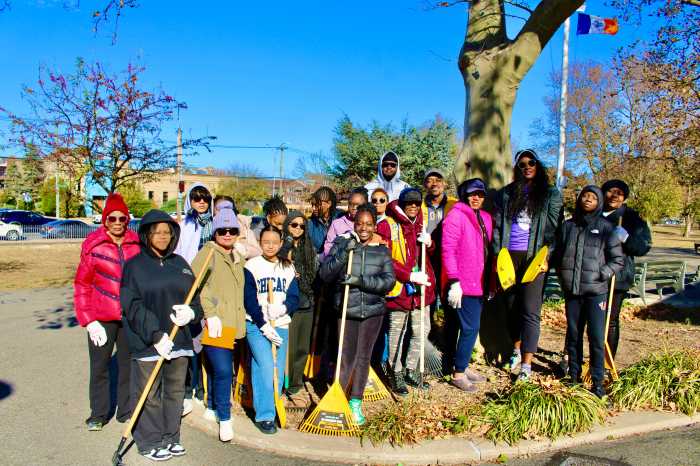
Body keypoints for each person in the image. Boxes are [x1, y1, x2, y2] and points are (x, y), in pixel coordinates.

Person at [120, 209, 203, 461]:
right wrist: (155, 334)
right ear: (146, 234)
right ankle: (150, 441)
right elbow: (131, 305)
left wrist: (191, 313)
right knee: (149, 394)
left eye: (167, 232)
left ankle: (170, 437)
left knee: (174, 392)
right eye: (156, 232)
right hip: (149, 342)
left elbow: (196, 299)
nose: (162, 236)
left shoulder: (180, 264)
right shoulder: (134, 266)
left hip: (179, 341)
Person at [320, 204, 396, 425]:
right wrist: (344, 252)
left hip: (373, 312)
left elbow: (388, 282)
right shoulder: (342, 243)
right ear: (354, 223)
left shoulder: (382, 250)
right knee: (346, 357)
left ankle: (355, 402)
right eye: (360, 223)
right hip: (347, 309)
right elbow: (325, 274)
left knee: (364, 358)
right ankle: (338, 399)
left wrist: (360, 282)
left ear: (375, 225)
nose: (363, 228)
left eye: (368, 224)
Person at [491, 149, 563, 381]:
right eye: (522, 164)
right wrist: (496, 255)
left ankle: (526, 364)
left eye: (531, 162)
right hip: (509, 257)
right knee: (511, 309)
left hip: (535, 259)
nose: (527, 166)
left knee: (530, 311)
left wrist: (547, 258)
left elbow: (555, 231)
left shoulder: (550, 194)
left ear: (537, 165)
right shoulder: (505, 194)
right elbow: (498, 229)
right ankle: (515, 349)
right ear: (517, 169)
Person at [74, 193, 141, 431]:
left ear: (127, 219)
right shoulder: (94, 246)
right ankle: (99, 413)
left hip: (128, 318)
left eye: (122, 218)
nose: (117, 222)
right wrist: (88, 320)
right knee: (100, 367)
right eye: (112, 218)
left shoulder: (137, 244)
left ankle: (126, 410)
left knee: (127, 366)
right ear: (105, 220)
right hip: (101, 318)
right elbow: (82, 285)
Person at [552, 186, 624, 398]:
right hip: (573, 292)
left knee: (595, 338)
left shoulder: (605, 228)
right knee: (573, 336)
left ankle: (597, 384)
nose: (588, 200)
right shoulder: (568, 226)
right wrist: (561, 272)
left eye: (593, 197)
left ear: (599, 202)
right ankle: (573, 378)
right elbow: (557, 252)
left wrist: (601, 274)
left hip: (596, 293)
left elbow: (617, 260)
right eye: (585, 196)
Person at [191, 208, 246, 442]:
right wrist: (210, 313)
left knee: (216, 368)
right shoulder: (208, 253)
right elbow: (195, 285)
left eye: (231, 230)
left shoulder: (238, 256)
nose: (226, 234)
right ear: (215, 232)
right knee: (224, 371)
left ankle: (212, 405)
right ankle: (225, 418)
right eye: (222, 230)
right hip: (216, 324)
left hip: (234, 323)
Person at [377, 187, 436, 394]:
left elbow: (428, 254)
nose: (412, 206)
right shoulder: (387, 225)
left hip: (422, 289)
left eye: (416, 202)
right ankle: (396, 371)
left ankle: (411, 369)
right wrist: (408, 275)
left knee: (422, 330)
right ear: (401, 204)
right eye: (408, 202)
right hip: (400, 289)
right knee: (397, 331)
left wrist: (429, 244)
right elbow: (385, 259)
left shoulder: (421, 223)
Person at [243, 226, 300, 435]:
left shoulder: (287, 267)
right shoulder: (252, 266)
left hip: (281, 324)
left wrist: (283, 308)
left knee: (277, 369)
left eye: (274, 242)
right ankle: (264, 415)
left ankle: (273, 404)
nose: (270, 246)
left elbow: (295, 297)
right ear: (260, 242)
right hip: (256, 325)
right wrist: (263, 323)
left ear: (280, 243)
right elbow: (248, 299)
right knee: (265, 366)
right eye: (266, 241)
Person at [441, 179, 493, 392]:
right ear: (464, 195)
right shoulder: (456, 216)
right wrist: (454, 281)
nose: (476, 198)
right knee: (470, 328)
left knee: (464, 328)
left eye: (480, 194)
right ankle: (458, 374)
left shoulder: (486, 218)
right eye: (472, 194)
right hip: (463, 284)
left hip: (480, 282)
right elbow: (448, 249)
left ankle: (461, 364)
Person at [600, 179, 652, 359]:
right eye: (610, 191)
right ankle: (572, 357)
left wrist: (627, 239)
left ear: (624, 197)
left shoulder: (632, 218)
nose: (614, 196)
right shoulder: (593, 213)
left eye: (619, 193)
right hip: (591, 275)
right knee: (585, 318)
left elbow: (643, 247)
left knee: (610, 320)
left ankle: (607, 361)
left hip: (617, 276)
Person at [174, 183, 212, 413]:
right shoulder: (184, 225)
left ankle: (203, 388)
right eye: (197, 198)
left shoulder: (217, 224)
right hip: (190, 286)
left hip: (211, 286)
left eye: (205, 198)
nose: (201, 202)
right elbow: (179, 254)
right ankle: (190, 387)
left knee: (209, 340)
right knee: (191, 338)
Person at [279, 210, 319, 408]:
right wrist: (286, 244)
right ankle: (283, 384)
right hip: (288, 304)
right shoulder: (281, 245)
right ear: (287, 225)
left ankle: (295, 383)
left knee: (302, 347)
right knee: (289, 347)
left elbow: (313, 274)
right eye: (293, 224)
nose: (298, 229)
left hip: (307, 302)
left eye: (302, 226)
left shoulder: (309, 248)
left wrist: (301, 275)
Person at [323, 187, 368, 257]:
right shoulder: (337, 224)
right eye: (351, 204)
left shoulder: (370, 224)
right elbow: (328, 247)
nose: (354, 208)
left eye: (358, 205)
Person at [213, 195, 262, 259]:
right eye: (219, 209)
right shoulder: (208, 226)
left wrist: (241, 249)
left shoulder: (244, 226)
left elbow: (258, 252)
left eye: (227, 208)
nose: (224, 211)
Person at [308, 187, 343, 258]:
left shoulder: (341, 218)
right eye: (312, 205)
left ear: (329, 204)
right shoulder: (311, 223)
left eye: (317, 205)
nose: (313, 208)